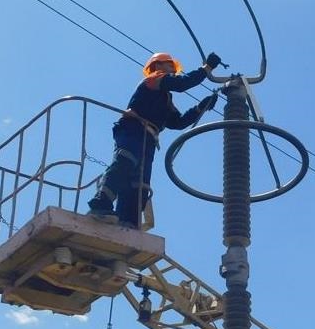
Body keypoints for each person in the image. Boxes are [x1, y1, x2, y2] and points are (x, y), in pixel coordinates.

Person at [87, 51, 221, 228]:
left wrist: (200, 107)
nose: (173, 70)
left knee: (140, 184)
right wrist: (206, 68)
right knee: (126, 161)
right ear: (157, 65)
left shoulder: (165, 98)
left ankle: (128, 222)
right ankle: (100, 204)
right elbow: (182, 84)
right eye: (170, 65)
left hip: (148, 139)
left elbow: (177, 122)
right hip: (133, 129)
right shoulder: (154, 79)